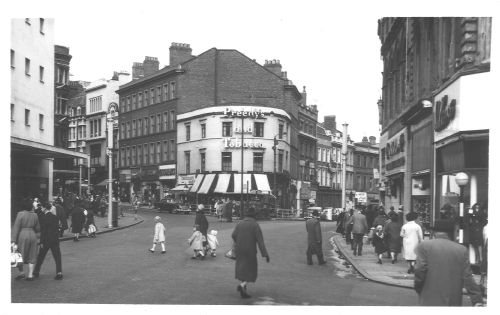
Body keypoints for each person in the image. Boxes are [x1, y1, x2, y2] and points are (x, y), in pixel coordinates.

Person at [414, 220, 484, 306]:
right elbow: (467, 277)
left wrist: (418, 287)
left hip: (429, 300)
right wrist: (477, 299)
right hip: (452, 301)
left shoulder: (424, 246)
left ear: (434, 232)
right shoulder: (461, 250)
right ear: (452, 233)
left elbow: (419, 270)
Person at [231, 207, 270, 299]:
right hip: (250, 251)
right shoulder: (255, 225)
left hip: (239, 250)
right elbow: (260, 242)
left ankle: (243, 290)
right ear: (254, 215)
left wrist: (239, 241)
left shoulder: (240, 223)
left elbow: (233, 235)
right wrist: (265, 254)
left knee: (242, 268)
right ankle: (242, 286)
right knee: (251, 270)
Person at [11, 200, 40, 281]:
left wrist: (13, 240)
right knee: (32, 254)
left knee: (20, 254)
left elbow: (16, 228)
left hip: (22, 235)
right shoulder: (35, 215)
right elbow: (38, 228)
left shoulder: (20, 214)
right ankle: (30, 275)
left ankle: (22, 273)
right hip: (33, 235)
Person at [34, 203, 63, 280]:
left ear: (45, 208)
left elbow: (43, 231)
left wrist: (41, 241)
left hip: (46, 239)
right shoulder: (55, 217)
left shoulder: (43, 218)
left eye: (42, 208)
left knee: (41, 256)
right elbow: (57, 229)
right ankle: (59, 272)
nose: (41, 209)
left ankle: (36, 271)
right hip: (55, 239)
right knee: (57, 256)